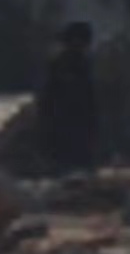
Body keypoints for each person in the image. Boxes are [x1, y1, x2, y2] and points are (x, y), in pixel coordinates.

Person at [37, 20, 99, 173]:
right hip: (62, 126)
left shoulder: (83, 65)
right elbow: (48, 98)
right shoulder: (60, 65)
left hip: (78, 127)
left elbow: (90, 99)